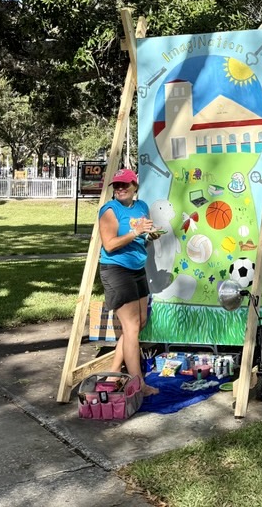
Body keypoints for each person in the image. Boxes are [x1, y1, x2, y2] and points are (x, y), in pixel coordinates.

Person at [98, 167, 160, 395]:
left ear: (135, 186)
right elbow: (110, 245)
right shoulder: (109, 211)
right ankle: (138, 384)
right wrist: (136, 233)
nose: (120, 189)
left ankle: (113, 372)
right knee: (131, 327)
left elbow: (143, 235)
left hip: (137, 269)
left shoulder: (141, 206)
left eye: (125, 184)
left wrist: (150, 234)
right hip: (116, 271)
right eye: (117, 185)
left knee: (140, 323)